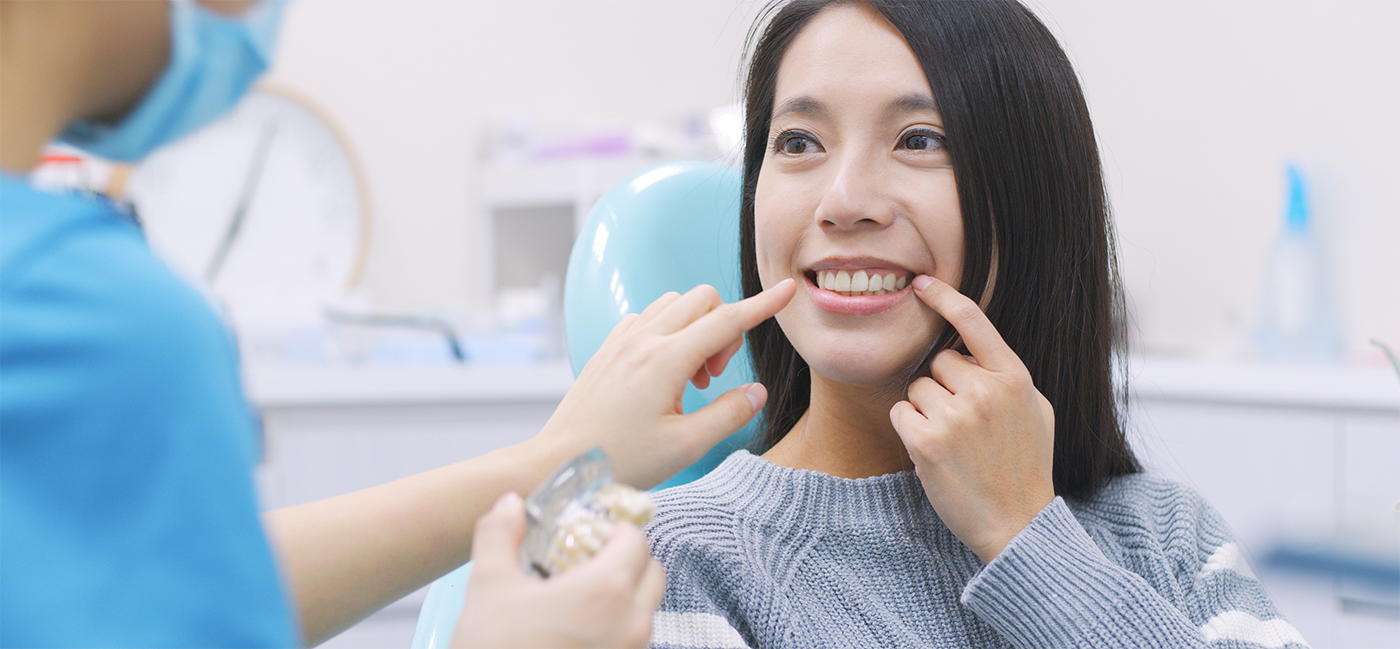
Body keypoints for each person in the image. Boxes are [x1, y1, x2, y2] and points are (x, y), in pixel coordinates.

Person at [0, 1, 796, 648]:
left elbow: (182, 580)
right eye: (797, 143)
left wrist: (559, 459)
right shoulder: (93, 326)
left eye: (918, 138)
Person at [642, 1, 1311, 647]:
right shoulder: (675, 564)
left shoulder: (1165, 533)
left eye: (919, 139)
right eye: (798, 142)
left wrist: (1030, 540)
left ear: (1035, 198)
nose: (843, 202)